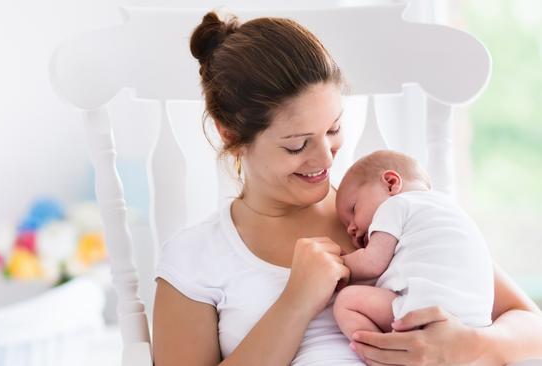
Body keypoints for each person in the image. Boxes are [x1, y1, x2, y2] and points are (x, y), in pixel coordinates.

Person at [152, 10, 542, 366]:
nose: (325, 159)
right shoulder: (195, 260)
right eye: (297, 144)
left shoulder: (387, 210)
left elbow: (531, 326)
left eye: (334, 129)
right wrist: (295, 302)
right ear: (231, 134)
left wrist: (471, 344)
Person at [332, 150, 493, 342]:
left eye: (353, 209)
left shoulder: (395, 205)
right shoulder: (449, 210)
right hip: (473, 324)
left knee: (347, 301)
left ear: (391, 184)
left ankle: (383, 354)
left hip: (424, 313)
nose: (350, 228)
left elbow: (371, 263)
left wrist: (336, 263)